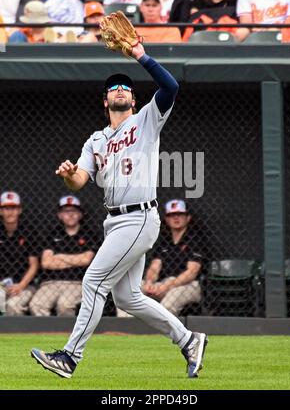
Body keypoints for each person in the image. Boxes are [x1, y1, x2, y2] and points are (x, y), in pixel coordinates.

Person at [31, 39, 208, 379]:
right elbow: (80, 181)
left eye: (126, 87)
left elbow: (170, 85)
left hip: (139, 216)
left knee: (93, 281)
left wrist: (140, 53)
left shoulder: (146, 120)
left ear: (133, 98)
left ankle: (69, 357)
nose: (120, 89)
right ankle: (188, 340)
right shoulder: (95, 140)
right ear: (105, 100)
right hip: (115, 222)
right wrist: (69, 176)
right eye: (114, 87)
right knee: (126, 297)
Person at [29, 196, 96, 316]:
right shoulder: (52, 233)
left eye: (74, 211)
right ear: (60, 215)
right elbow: (46, 263)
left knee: (64, 304)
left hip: (77, 283)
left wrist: (59, 256)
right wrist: (74, 259)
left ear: (80, 214)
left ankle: (67, 334)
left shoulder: (89, 234)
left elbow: (86, 260)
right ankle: (46, 334)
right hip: (51, 283)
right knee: (36, 305)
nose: (70, 215)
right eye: (66, 211)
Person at [142, 199, 203, 316]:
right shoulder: (164, 241)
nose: (176, 218)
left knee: (168, 303)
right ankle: (128, 330)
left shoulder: (195, 240)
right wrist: (149, 282)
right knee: (134, 288)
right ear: (166, 219)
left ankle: (157, 333)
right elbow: (155, 267)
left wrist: (167, 286)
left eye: (180, 214)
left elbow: (191, 273)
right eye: (172, 215)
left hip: (189, 285)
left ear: (188, 218)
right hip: (164, 283)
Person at [0, 191, 39, 315]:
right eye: (6, 208)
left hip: (25, 285)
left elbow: (34, 264)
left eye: (14, 208)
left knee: (13, 306)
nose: (10, 212)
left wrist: (21, 285)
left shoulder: (29, 232)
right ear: (1, 211)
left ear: (19, 210)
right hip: (1, 284)